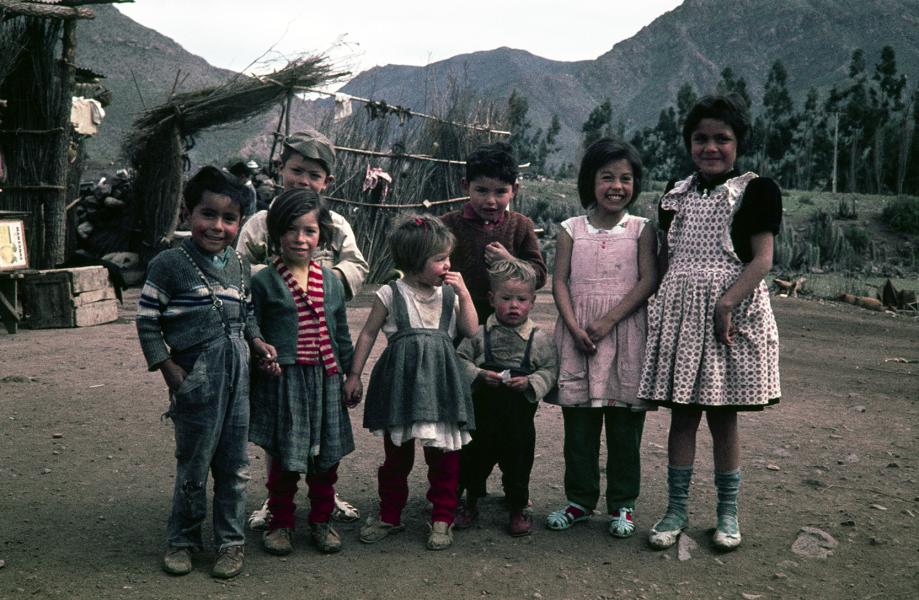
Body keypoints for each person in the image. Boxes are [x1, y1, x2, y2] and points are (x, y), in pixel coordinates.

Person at [639, 94, 782, 551]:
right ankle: (675, 510)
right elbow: (665, 259)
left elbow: (761, 261)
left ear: (738, 143)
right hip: (683, 315)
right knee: (683, 417)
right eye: (701, 138)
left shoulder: (756, 191)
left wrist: (725, 304)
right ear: (689, 143)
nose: (711, 147)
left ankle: (727, 514)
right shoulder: (675, 194)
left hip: (732, 314)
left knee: (724, 419)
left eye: (722, 138)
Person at [135, 166, 276, 578]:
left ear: (239, 223)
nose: (217, 226)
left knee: (235, 467)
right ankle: (182, 540)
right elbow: (147, 322)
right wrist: (169, 371)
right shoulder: (168, 264)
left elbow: (246, 315)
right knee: (194, 464)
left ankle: (230, 543)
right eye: (207, 214)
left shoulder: (239, 264)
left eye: (229, 218)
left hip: (238, 380)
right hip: (194, 377)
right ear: (187, 213)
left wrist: (258, 342)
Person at [237, 127, 367, 530]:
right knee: (283, 426)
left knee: (321, 429)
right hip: (278, 346)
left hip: (320, 342)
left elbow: (358, 266)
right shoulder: (261, 221)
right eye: (297, 170)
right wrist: (275, 279)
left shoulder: (333, 222)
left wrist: (322, 281)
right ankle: (280, 507)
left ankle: (322, 504)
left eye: (314, 175)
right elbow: (240, 268)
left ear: (327, 182)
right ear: (281, 168)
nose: (304, 181)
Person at [544, 139, 658, 538]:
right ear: (589, 181)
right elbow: (558, 280)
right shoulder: (570, 230)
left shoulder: (642, 229)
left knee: (625, 429)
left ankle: (623, 505)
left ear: (635, 184)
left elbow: (648, 280)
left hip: (624, 334)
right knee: (579, 427)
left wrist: (609, 319)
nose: (616, 186)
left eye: (626, 178)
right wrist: (575, 327)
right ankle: (579, 500)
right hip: (579, 339)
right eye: (607, 176)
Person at [342, 214, 477, 551]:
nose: (447, 265)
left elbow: (471, 331)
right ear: (416, 263)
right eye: (439, 259)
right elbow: (369, 333)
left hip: (442, 383)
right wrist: (355, 375)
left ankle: (442, 517)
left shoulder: (450, 294)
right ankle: (390, 514)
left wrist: (465, 294)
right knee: (396, 457)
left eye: (448, 257)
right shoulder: (390, 293)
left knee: (443, 456)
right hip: (401, 384)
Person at [248, 188, 359, 556]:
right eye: (292, 229)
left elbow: (340, 331)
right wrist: (261, 354)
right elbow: (252, 327)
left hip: (326, 379)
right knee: (284, 457)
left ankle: (321, 520)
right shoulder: (263, 281)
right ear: (276, 233)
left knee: (325, 458)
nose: (300, 238)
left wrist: (351, 375)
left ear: (321, 236)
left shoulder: (331, 282)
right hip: (286, 381)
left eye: (309, 231)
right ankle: (280, 523)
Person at [454, 259, 558, 536]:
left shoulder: (539, 339)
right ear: (491, 298)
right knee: (472, 462)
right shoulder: (477, 334)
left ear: (533, 301)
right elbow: (459, 360)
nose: (514, 305)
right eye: (506, 298)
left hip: (518, 423)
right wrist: (477, 374)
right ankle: (470, 502)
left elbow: (550, 369)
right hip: (481, 418)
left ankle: (517, 506)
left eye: (521, 299)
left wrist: (531, 382)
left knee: (518, 464)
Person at [440, 142, 547, 325]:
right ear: (466, 186)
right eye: (481, 190)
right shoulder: (447, 226)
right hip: (457, 319)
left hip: (506, 323)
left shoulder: (521, 226)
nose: (490, 201)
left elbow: (539, 276)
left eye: (500, 192)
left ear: (514, 190)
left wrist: (509, 262)